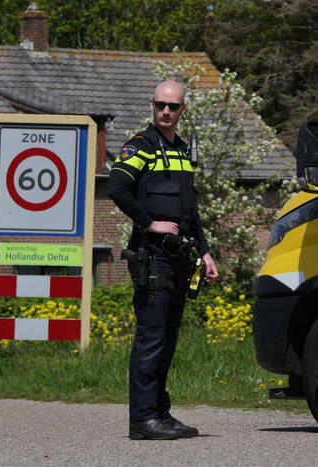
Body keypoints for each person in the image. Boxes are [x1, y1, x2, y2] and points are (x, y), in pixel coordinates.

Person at [107, 80, 219, 440]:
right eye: (161, 106)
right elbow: (116, 187)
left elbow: (191, 210)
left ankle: (160, 413)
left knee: (168, 340)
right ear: (151, 106)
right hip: (152, 257)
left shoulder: (183, 151)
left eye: (173, 107)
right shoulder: (141, 146)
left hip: (180, 258)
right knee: (151, 339)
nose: (167, 112)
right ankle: (142, 420)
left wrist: (205, 250)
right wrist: (148, 222)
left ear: (182, 110)